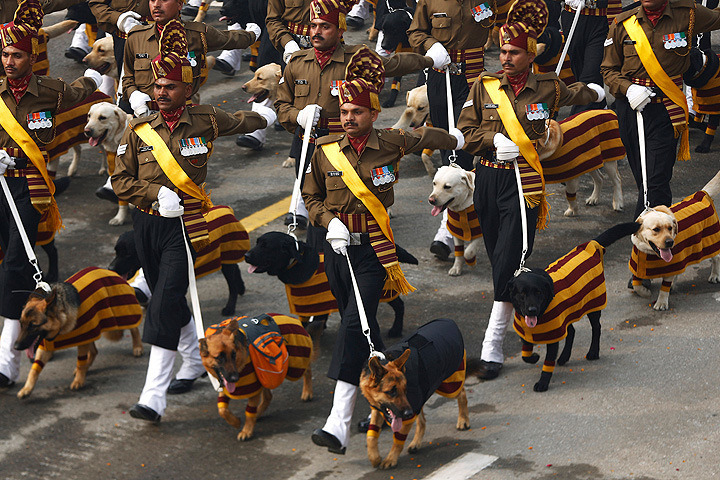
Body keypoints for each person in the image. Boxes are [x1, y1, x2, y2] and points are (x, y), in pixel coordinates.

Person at [302, 46, 464, 455]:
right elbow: (310, 195)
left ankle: (336, 423)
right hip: (336, 247)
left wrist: (459, 138)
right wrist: (326, 222)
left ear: (373, 114)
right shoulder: (324, 150)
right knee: (356, 326)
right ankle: (379, 400)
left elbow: (426, 134)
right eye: (343, 111)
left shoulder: (390, 143)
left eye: (356, 111)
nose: (347, 117)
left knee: (357, 325)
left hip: (374, 248)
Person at [111, 20, 274, 422]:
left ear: (188, 89)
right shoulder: (139, 129)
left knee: (163, 300)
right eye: (156, 86)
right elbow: (120, 181)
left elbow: (241, 121)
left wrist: (269, 115)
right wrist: (154, 194)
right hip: (147, 224)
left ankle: (153, 398)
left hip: (185, 227)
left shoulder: (205, 120)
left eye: (169, 87)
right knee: (170, 301)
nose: (160, 93)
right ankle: (191, 356)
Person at [457, 0, 603, 381]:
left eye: (514, 51)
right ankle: (529, 320)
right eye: (502, 50)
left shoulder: (549, 87)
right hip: (488, 178)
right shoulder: (483, 85)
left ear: (531, 54)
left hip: (524, 180)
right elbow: (465, 132)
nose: (505, 57)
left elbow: (577, 96)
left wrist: (601, 92)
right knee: (498, 257)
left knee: (510, 259)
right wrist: (492, 139)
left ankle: (492, 345)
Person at [0, 0, 102, 388]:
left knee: (14, 260)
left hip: (29, 185)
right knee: (5, 260)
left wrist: (100, 74)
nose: (10, 61)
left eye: (18, 55)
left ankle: (7, 361)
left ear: (32, 57)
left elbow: (80, 91)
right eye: (5, 54)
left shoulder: (50, 92)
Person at [275, 0, 436, 228]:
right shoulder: (297, 63)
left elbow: (393, 64)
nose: (317, 32)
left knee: (352, 215)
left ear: (340, 30)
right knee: (317, 217)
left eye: (325, 26)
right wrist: (297, 116)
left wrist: (430, 60)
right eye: (313, 26)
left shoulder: (356, 60)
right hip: (309, 146)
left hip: (347, 148)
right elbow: (281, 105)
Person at [601, 0, 720, 218]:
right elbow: (608, 70)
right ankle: (660, 229)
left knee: (656, 181)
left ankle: (646, 243)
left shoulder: (688, 15)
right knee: (644, 180)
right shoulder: (622, 23)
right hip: (631, 111)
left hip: (667, 110)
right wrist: (628, 89)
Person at [406, 0, 493, 261]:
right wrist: (431, 46)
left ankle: (447, 229)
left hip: (474, 77)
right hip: (441, 75)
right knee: (448, 146)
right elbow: (415, 31)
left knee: (463, 147)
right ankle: (457, 221)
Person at [121, 0, 260, 118]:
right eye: (152, 0)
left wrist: (253, 33)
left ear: (180, 4)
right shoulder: (136, 37)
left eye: (164, 0)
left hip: (184, 118)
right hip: (145, 116)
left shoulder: (196, 35)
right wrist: (134, 96)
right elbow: (127, 77)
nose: (156, 5)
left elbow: (229, 39)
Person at [560, 0, 622, 114]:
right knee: (579, 69)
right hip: (573, 16)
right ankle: (598, 105)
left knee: (591, 72)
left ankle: (579, 121)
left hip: (602, 18)